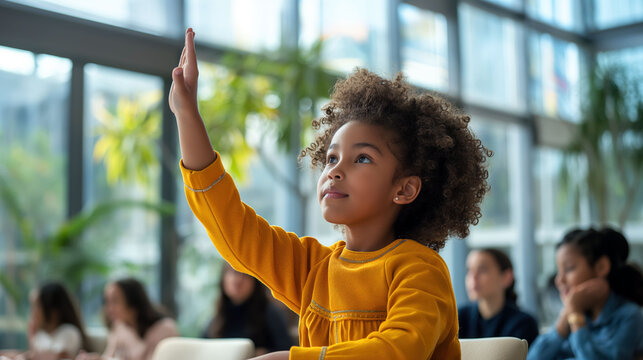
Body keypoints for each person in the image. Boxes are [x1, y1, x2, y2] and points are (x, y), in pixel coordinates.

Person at [170, 28, 491, 359]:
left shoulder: (420, 269)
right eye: (331, 158)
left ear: (405, 189)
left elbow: (398, 350)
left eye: (362, 158)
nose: (334, 170)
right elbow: (233, 229)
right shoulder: (315, 268)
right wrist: (187, 114)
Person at [528, 227, 643, 359]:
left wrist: (576, 315)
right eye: (558, 271)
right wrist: (567, 315)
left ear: (601, 267)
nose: (559, 280)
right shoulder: (572, 315)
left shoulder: (629, 316)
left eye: (569, 269)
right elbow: (532, 358)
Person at [203, 263, 294, 355]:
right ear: (223, 278)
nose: (238, 280)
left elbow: (287, 352)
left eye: (245, 274)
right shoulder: (217, 318)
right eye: (233, 272)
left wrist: (261, 354)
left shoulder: (270, 313)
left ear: (256, 281)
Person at [76, 278, 179, 360]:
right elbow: (109, 356)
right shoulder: (120, 327)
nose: (108, 309)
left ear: (133, 302)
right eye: (106, 302)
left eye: (114, 301)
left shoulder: (165, 328)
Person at [458, 249, 539, 344]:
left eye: (482, 270)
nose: (473, 277)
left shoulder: (523, 324)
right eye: (469, 270)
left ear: (506, 277)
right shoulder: (459, 317)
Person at [25, 282, 90, 359]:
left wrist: (31, 338)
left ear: (54, 312)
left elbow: (56, 356)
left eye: (38, 306)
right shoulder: (41, 335)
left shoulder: (70, 332)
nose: (33, 312)